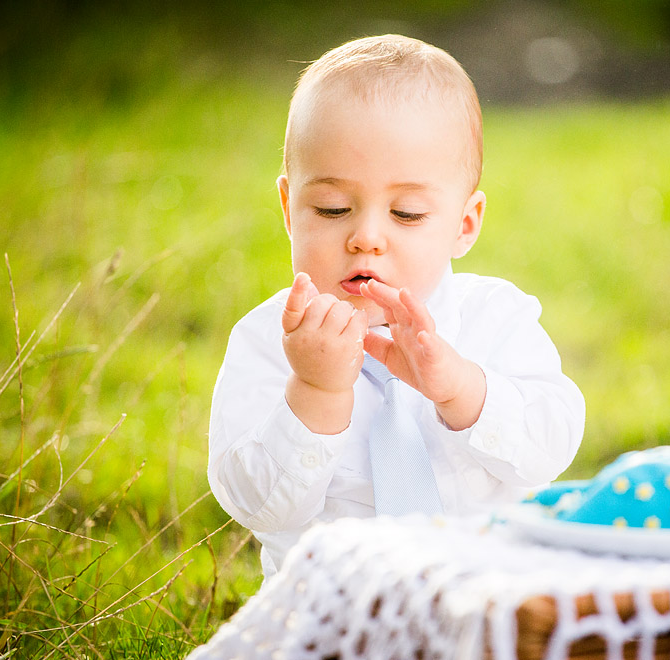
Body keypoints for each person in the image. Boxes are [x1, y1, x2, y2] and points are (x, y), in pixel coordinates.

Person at [207, 34, 585, 578]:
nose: (365, 237)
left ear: (464, 223)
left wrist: (460, 388)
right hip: (331, 616)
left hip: (488, 595)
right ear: (290, 208)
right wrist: (315, 392)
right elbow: (256, 506)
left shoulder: (497, 318)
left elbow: (552, 448)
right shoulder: (270, 339)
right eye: (333, 208)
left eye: (406, 213)